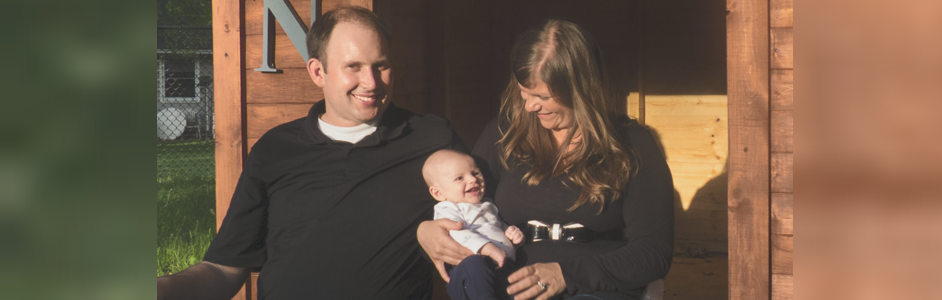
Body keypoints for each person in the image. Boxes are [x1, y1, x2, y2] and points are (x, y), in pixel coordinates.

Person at [157, 7, 466, 300]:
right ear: (318, 72)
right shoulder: (276, 149)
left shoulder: (430, 139)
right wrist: (163, 289)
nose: (371, 82)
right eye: (353, 67)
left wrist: (427, 231)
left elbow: (490, 217)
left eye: (381, 65)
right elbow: (224, 268)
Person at [418, 20, 674, 300]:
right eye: (524, 92)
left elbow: (653, 253)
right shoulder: (504, 133)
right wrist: (426, 231)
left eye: (542, 96)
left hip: (595, 287)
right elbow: (459, 201)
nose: (529, 106)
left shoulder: (632, 143)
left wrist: (567, 274)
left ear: (581, 88)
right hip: (510, 280)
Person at [423, 149, 525, 300]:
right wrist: (487, 248)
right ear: (438, 193)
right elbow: (456, 233)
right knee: (474, 264)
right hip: (472, 272)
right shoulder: (447, 208)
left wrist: (511, 234)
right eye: (459, 178)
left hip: (501, 266)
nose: (472, 179)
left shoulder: (488, 204)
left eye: (476, 173)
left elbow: (496, 228)